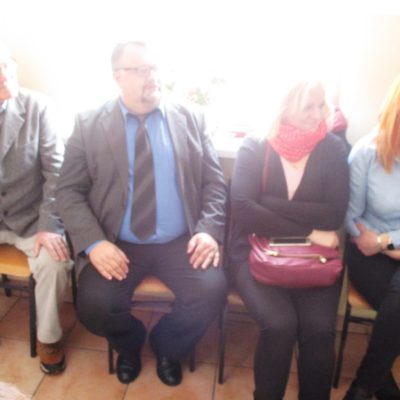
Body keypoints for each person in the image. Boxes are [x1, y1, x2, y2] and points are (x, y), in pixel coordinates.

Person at [56, 41, 227, 386]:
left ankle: (167, 345)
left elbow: (214, 183)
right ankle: (131, 345)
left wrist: (208, 230)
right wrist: (94, 244)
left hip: (180, 241)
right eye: (141, 70)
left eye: (155, 68)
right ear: (117, 76)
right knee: (94, 306)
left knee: (212, 291)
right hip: (118, 242)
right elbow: (68, 191)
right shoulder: (89, 124)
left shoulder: (191, 118)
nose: (152, 76)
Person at [228, 79, 349, 399]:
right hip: (255, 251)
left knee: (319, 330)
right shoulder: (256, 145)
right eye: (307, 107)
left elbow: (334, 215)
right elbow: (244, 211)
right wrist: (308, 230)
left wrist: (269, 204)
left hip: (314, 258)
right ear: (284, 107)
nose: (317, 115)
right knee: (280, 326)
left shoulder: (332, 148)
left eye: (321, 105)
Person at [0, 44, 72, 374]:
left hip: (31, 218)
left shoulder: (39, 107)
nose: (4, 77)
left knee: (55, 262)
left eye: (6, 66)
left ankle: (49, 338)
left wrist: (49, 225)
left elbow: (57, 173)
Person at [343, 76, 400, 400]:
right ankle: (377, 385)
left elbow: (379, 240)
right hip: (367, 254)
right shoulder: (366, 152)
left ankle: (364, 386)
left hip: (381, 245)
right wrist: (383, 246)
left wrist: (386, 242)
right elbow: (350, 217)